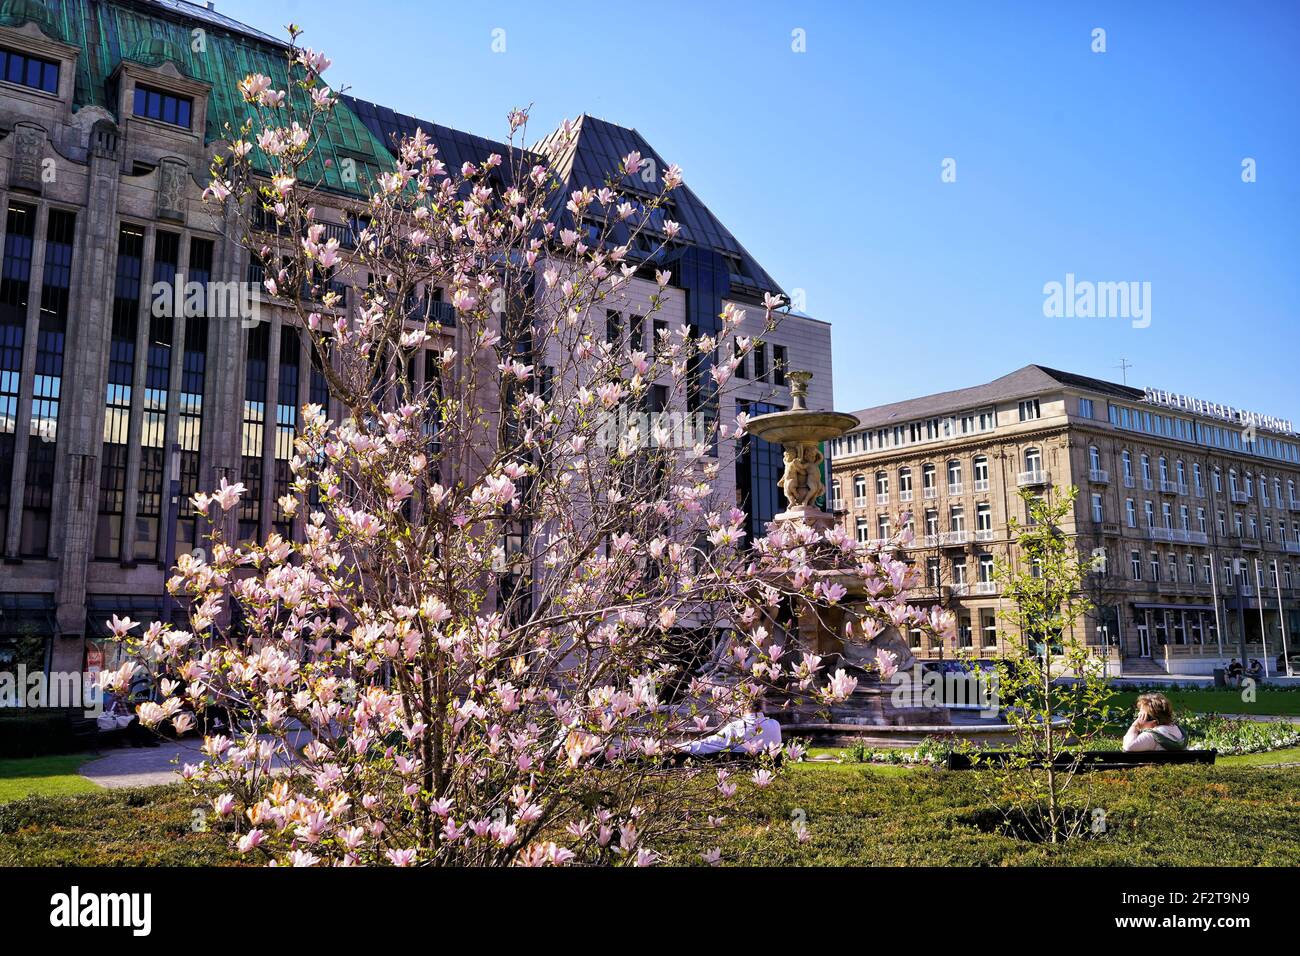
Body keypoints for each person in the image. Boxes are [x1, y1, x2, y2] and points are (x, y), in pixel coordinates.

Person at [675, 709, 781, 758]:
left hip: (743, 770)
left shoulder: (736, 726)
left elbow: (710, 744)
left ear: (742, 705)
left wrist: (681, 747)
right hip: (772, 768)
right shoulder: (775, 724)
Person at [1122, 692, 1186, 752]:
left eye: (1142, 715)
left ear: (1153, 720)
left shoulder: (1153, 736)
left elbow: (1129, 746)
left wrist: (1135, 725)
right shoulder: (1179, 731)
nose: (1138, 718)